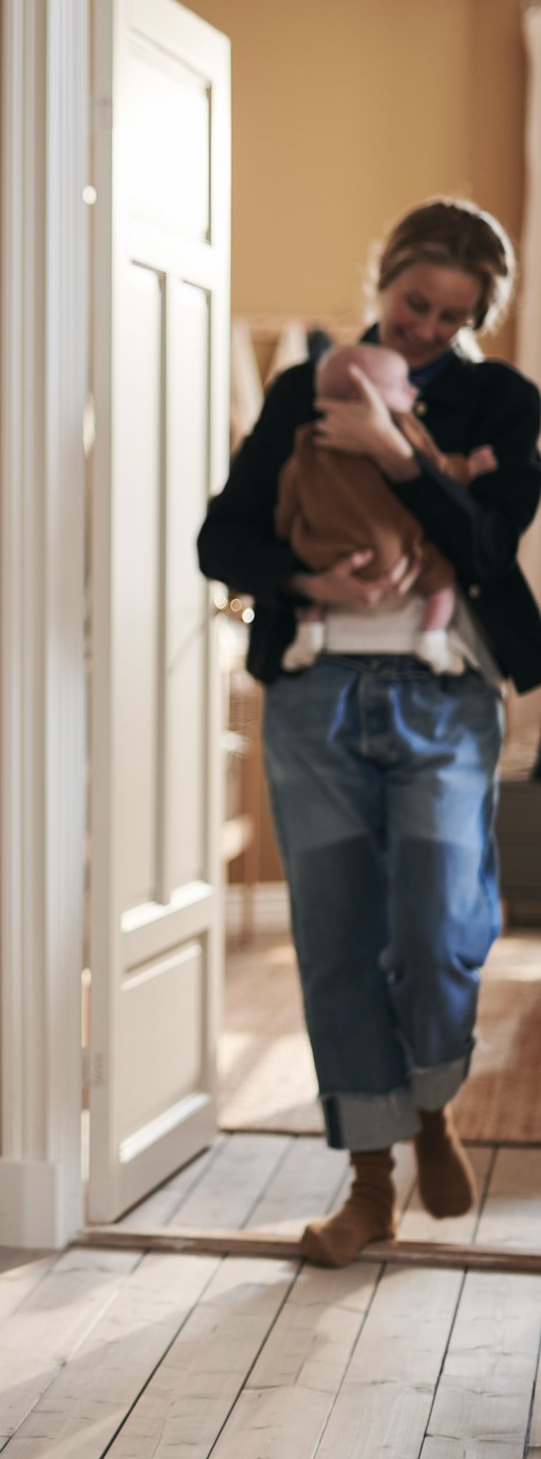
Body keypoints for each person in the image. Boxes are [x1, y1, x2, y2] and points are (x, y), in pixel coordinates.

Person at [199, 198, 541, 1267]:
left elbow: (487, 545)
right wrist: (305, 578)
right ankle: (367, 1180)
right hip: (313, 703)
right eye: (410, 303)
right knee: (336, 939)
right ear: (380, 280)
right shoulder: (303, 388)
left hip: (442, 698)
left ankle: (432, 1104)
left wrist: (395, 456)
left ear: (478, 313)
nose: (425, 329)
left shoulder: (498, 400)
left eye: (450, 314)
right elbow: (223, 535)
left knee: (439, 925)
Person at [274, 339, 498, 676]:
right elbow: (438, 470)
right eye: (401, 386)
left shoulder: (306, 447)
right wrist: (470, 467)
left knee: (311, 584)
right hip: (401, 556)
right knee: (441, 582)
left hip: (326, 554)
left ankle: (309, 631)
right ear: (360, 399)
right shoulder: (406, 430)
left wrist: (288, 532)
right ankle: (432, 637)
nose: (412, 391)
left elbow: (287, 499)